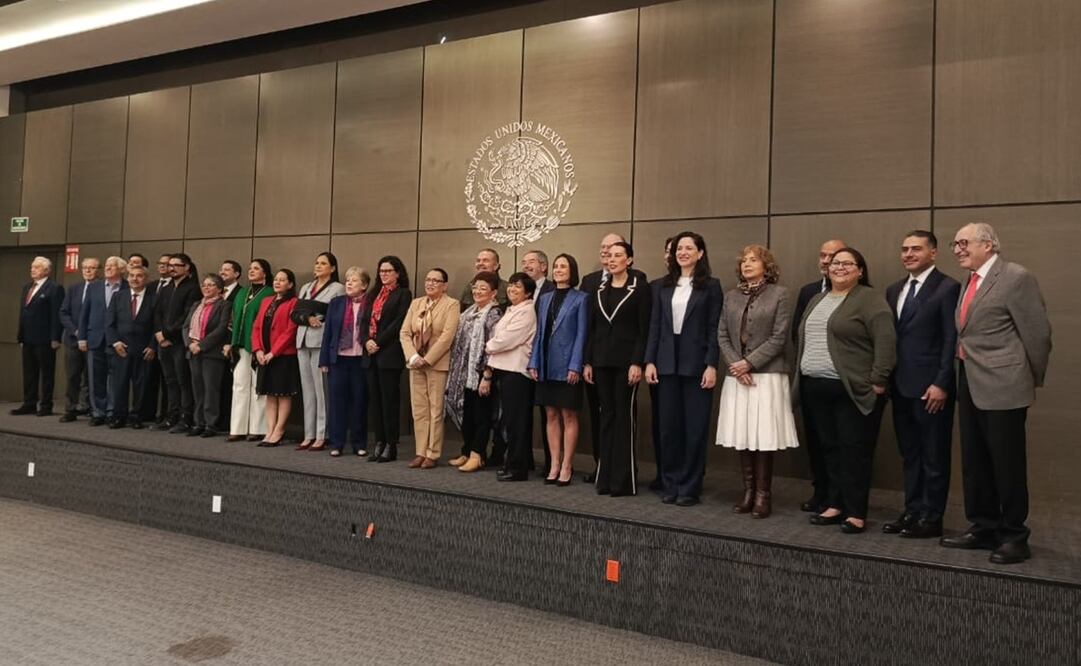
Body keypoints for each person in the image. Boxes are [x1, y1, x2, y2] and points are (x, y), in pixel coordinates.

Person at [940, 223, 1051, 565]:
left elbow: (1038, 334)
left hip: (1005, 386)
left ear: (987, 245)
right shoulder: (968, 281)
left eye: (963, 243)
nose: (957, 249)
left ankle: (1015, 535)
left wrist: (1027, 379)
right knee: (975, 462)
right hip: (970, 382)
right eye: (955, 243)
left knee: (1007, 464)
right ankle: (983, 526)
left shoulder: (1016, 277)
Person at [796, 247, 895, 534]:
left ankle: (855, 512)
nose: (839, 267)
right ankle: (834, 503)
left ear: (860, 270)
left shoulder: (870, 300)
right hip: (816, 387)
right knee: (830, 450)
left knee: (854, 451)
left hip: (853, 389)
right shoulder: (818, 298)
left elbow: (886, 342)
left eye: (847, 263)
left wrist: (878, 380)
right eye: (835, 263)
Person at [882, 231, 960, 539]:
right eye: (904, 249)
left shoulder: (948, 287)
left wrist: (942, 382)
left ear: (934, 253)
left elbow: (950, 340)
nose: (909, 254)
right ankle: (912, 510)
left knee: (934, 455)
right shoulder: (894, 290)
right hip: (900, 386)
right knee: (910, 453)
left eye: (916, 248)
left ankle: (932, 516)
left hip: (932, 388)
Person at [715, 245, 798, 519]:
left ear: (767, 265)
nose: (747, 264)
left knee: (763, 435)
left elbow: (779, 336)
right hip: (738, 376)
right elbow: (723, 335)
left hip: (767, 374)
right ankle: (748, 491)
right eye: (744, 261)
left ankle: (763, 495)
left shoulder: (780, 294)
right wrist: (737, 366)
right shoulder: (731, 296)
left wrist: (750, 363)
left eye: (753, 260)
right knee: (743, 433)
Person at [644, 232, 722, 507]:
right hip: (665, 362)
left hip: (696, 364)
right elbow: (654, 326)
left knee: (694, 428)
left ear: (700, 253)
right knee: (668, 428)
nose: (683, 252)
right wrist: (649, 361)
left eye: (689, 248)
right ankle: (671, 482)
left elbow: (714, 329)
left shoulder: (711, 286)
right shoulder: (661, 286)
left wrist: (712, 364)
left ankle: (689, 486)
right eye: (679, 248)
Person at [583, 241, 651, 497]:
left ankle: (623, 480)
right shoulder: (599, 289)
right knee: (606, 417)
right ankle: (605, 477)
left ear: (629, 260)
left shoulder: (640, 289)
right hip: (601, 361)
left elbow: (643, 329)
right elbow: (593, 329)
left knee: (624, 418)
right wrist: (588, 361)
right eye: (609, 256)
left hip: (626, 364)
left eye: (618, 255)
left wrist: (638, 362)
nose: (612, 260)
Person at [793, 238, 847, 514]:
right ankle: (821, 492)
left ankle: (838, 497)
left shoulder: (860, 293)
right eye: (823, 255)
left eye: (834, 256)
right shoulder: (809, 292)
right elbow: (797, 333)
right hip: (811, 378)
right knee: (815, 440)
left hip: (842, 383)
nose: (827, 261)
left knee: (837, 442)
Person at [528, 254, 588, 485]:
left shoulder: (581, 298)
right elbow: (539, 333)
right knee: (551, 414)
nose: (559, 269)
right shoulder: (544, 298)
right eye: (556, 266)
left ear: (572, 271)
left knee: (568, 415)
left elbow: (582, 335)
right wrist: (534, 362)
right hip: (545, 364)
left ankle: (567, 465)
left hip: (567, 365)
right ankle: (553, 463)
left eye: (563, 266)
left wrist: (576, 365)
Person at [400, 268, 460, 469]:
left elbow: (447, 336)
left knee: (435, 409)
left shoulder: (451, 304)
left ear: (444, 285)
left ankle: (432, 453)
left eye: (436, 280)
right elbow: (405, 332)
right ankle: (420, 451)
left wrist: (428, 359)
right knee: (419, 409)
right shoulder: (417, 303)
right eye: (428, 280)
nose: (431, 283)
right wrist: (414, 356)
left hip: (437, 364)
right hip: (415, 362)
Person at [446, 272, 502, 472]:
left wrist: (487, 375)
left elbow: (493, 348)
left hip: (482, 374)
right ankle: (467, 450)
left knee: (481, 416)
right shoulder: (468, 312)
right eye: (476, 287)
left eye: (483, 288)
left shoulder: (494, 315)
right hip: (464, 373)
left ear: (494, 293)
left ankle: (478, 454)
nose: (478, 291)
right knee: (467, 414)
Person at [486, 272, 537, 481]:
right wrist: (493, 345)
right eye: (511, 285)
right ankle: (511, 462)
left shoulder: (527, 311)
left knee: (517, 422)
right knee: (509, 421)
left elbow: (506, 339)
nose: (512, 289)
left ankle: (518, 468)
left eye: (518, 287)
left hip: (518, 372)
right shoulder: (512, 309)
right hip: (505, 370)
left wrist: (488, 347)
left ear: (528, 293)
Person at [361, 256, 411, 463]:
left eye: (389, 271)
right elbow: (363, 321)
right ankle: (379, 442)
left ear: (398, 273)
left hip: (389, 353)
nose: (384, 274)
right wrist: (366, 341)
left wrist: (377, 342)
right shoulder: (374, 294)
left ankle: (391, 444)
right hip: (370, 354)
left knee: (389, 401)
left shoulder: (403, 294)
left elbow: (399, 323)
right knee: (376, 401)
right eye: (381, 271)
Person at [293, 252, 345, 451]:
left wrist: (307, 310)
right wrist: (308, 315)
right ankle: (309, 433)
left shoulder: (337, 288)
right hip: (303, 340)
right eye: (316, 263)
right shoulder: (306, 287)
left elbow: (334, 313)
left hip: (321, 341)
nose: (318, 266)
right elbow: (295, 313)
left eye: (323, 263)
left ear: (332, 268)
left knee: (321, 390)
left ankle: (323, 434)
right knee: (307, 391)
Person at [319, 266, 372, 457]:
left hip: (360, 361)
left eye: (354, 280)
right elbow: (328, 333)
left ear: (364, 285)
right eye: (348, 280)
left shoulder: (370, 304)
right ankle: (337, 443)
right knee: (337, 403)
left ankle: (359, 443)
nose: (349, 283)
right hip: (338, 360)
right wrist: (324, 359)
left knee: (359, 402)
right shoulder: (337, 303)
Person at [224, 260, 274, 442]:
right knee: (239, 385)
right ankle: (237, 428)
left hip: (259, 346)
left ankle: (257, 428)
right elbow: (233, 319)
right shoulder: (242, 293)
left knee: (257, 387)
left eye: (256, 268)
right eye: (250, 268)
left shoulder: (270, 293)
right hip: (240, 344)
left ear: (265, 273)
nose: (252, 271)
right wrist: (230, 342)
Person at [252, 269, 301, 447]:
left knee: (283, 394)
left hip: (283, 356)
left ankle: (279, 429)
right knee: (270, 395)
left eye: (282, 280)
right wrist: (258, 350)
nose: (278, 282)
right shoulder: (266, 301)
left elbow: (290, 331)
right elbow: (256, 327)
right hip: (264, 355)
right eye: (277, 280)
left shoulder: (293, 302)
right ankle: (270, 429)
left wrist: (273, 352)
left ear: (290, 284)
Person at [105, 265, 156, 429]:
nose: (135, 278)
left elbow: (157, 325)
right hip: (122, 348)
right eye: (131, 275)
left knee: (141, 385)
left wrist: (152, 346)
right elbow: (109, 324)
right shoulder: (118, 296)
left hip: (143, 349)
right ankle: (119, 416)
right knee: (119, 384)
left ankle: (136, 416)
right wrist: (115, 342)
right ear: (127, 278)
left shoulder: (154, 298)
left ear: (146, 279)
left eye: (139, 276)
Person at [79, 256, 129, 426]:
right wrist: (82, 337)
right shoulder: (94, 287)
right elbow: (84, 314)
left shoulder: (127, 287)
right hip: (95, 339)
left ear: (121, 269)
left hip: (118, 340)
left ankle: (111, 411)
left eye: (112, 266)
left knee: (115, 378)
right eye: (106, 265)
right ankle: (97, 412)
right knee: (95, 377)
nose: (107, 268)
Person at [154, 253, 201, 433]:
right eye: (170, 265)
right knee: (169, 381)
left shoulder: (193, 288)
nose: (171, 268)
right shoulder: (165, 288)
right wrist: (159, 334)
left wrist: (166, 334)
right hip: (162, 342)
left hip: (179, 342)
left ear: (187, 267)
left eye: (176, 265)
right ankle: (171, 416)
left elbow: (186, 317)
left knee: (183, 382)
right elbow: (157, 313)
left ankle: (185, 418)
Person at [182, 274, 233, 438]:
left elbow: (221, 328)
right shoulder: (197, 304)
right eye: (204, 285)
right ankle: (198, 423)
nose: (206, 288)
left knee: (211, 390)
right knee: (197, 390)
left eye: (211, 285)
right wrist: (190, 344)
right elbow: (186, 326)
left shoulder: (224, 305)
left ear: (219, 289)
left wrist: (201, 345)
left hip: (211, 353)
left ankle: (211, 424)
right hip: (193, 351)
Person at [13, 257, 64, 417]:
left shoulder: (54, 288)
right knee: (29, 373)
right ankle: (29, 403)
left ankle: (46, 405)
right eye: (32, 266)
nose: (32, 269)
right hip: (27, 338)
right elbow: (23, 314)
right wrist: (21, 336)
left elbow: (57, 315)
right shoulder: (27, 287)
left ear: (46, 270)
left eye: (36, 267)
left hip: (45, 339)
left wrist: (55, 338)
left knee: (46, 374)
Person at [520, 249, 553, 471]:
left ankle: (552, 461)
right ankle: (524, 458)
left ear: (544, 266)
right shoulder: (520, 290)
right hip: (520, 358)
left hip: (545, 357)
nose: (526, 266)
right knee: (521, 411)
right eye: (524, 262)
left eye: (531, 262)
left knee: (546, 411)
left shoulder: (553, 289)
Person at [58, 257, 100, 422]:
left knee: (91, 377)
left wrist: (87, 333)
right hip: (73, 339)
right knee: (72, 376)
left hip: (93, 339)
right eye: (85, 268)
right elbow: (63, 312)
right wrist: (76, 331)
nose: (88, 271)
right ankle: (70, 408)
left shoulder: (101, 288)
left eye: (92, 268)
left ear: (99, 270)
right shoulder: (74, 288)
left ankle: (88, 407)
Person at [645, 238, 673, 490]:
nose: (672, 255)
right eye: (668, 251)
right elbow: (650, 327)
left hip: (685, 365)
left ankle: (681, 475)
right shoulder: (654, 286)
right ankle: (663, 472)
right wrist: (648, 361)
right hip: (658, 364)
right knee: (660, 422)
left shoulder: (704, 285)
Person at [216, 260, 243, 431]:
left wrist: (229, 342)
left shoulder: (241, 293)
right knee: (215, 385)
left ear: (237, 274)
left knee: (228, 384)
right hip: (212, 345)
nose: (222, 272)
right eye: (221, 269)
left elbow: (236, 321)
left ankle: (227, 422)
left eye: (227, 269)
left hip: (229, 344)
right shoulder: (216, 293)